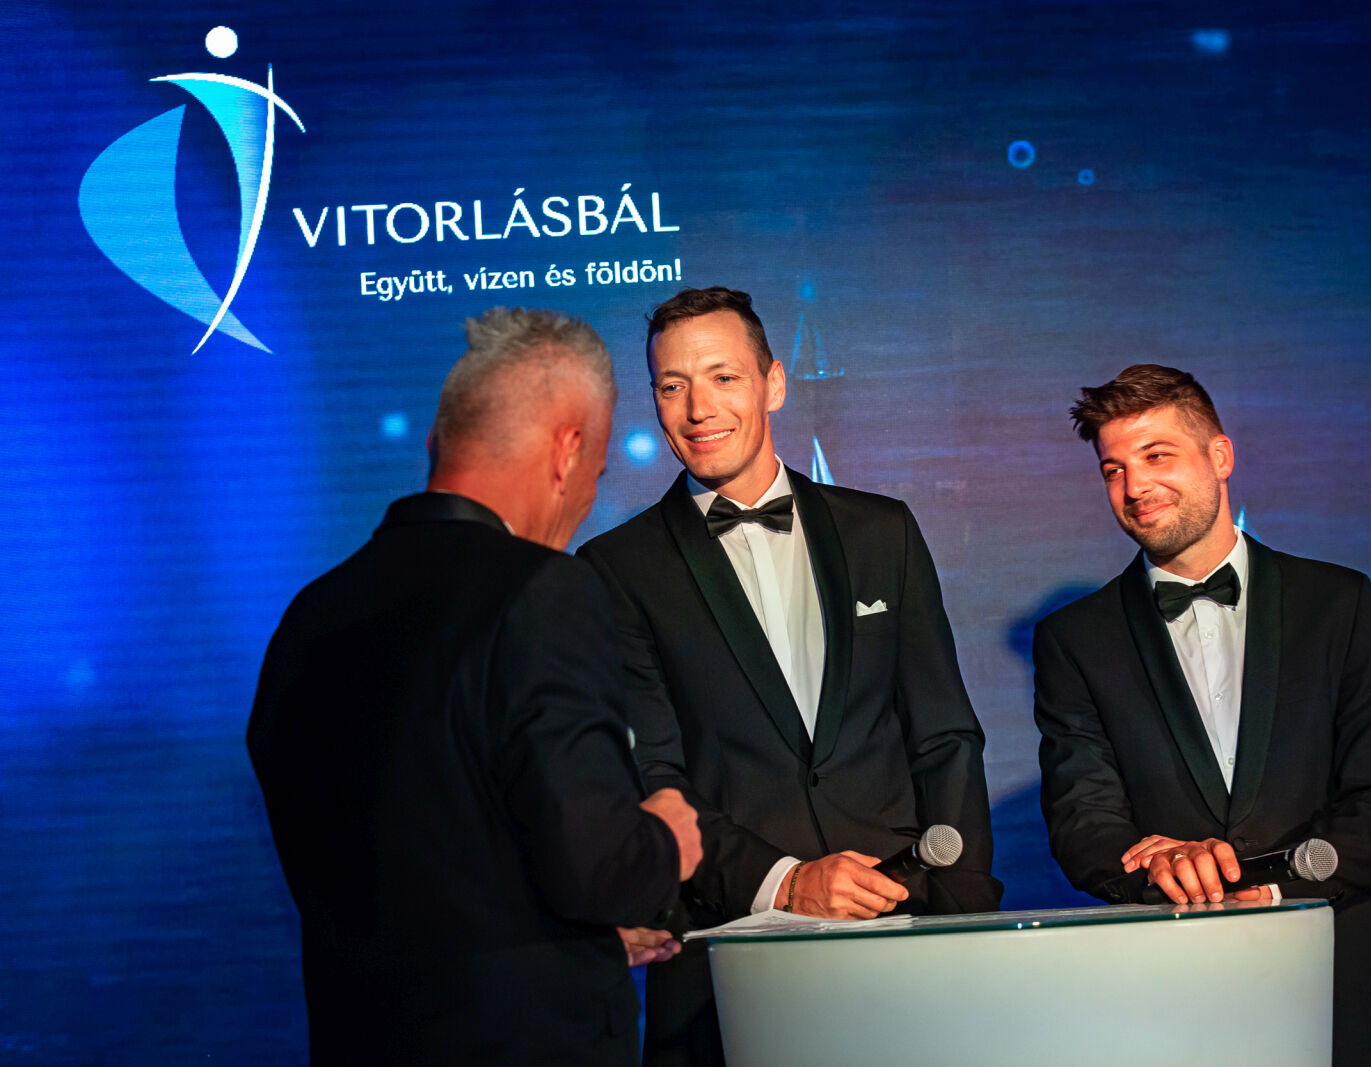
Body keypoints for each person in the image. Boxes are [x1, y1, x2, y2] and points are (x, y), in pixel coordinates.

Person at [247, 307, 702, 1067]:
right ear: (568, 451)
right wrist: (664, 841)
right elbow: (598, 866)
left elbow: (420, 870)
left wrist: (563, 944)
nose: (585, 500)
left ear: (435, 442)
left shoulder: (310, 616)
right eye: (595, 476)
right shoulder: (548, 591)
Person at [578, 287, 1001, 1066]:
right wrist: (786, 882)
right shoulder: (615, 568)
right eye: (673, 385)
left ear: (773, 383)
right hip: (728, 953)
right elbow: (654, 778)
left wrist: (964, 918)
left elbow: (944, 736)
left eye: (723, 377)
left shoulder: (882, 530)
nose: (699, 408)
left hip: (908, 936)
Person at [1033, 364, 1371, 1065]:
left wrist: (1276, 888)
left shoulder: (1337, 603)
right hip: (1168, 989)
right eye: (1113, 470)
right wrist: (1161, 868)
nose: (1135, 487)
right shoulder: (1074, 638)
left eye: (1157, 456)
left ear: (1220, 456)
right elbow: (1082, 823)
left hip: (1341, 971)